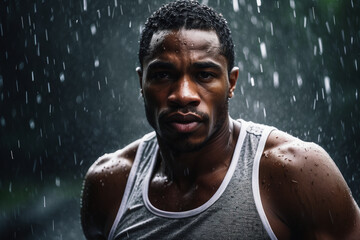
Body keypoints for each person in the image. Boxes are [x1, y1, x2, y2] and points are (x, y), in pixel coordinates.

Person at [80, 1, 360, 239]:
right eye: (163, 75)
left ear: (231, 82)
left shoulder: (297, 171)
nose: (183, 95)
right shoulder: (109, 185)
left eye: (204, 75)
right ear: (142, 82)